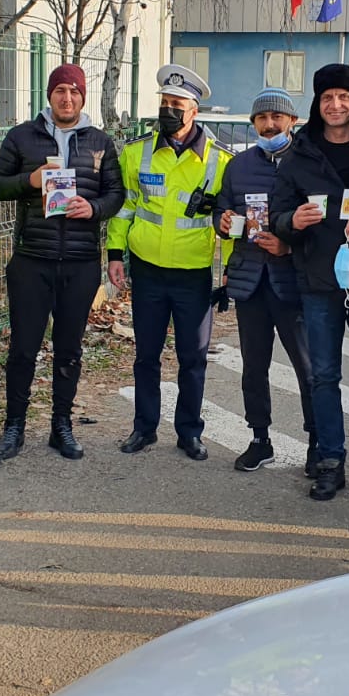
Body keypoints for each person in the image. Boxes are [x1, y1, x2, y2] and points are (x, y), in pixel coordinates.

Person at [271, 63, 349, 502]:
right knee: (323, 376)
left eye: (344, 96)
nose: (336, 105)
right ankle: (329, 462)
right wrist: (293, 220)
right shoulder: (300, 153)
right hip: (320, 281)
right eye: (328, 98)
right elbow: (277, 215)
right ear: (317, 103)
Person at [0, 64, 124, 460]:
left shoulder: (99, 141)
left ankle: (61, 425)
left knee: (69, 349)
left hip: (80, 262)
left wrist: (95, 207)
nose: (67, 98)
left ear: (83, 98)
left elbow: (116, 192)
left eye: (75, 92)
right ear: (49, 95)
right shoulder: (22, 136)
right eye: (60, 90)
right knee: (23, 349)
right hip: (33, 259)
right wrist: (30, 181)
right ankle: (14, 426)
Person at [109, 65, 230, 461]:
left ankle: (189, 432)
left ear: (194, 110)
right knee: (146, 354)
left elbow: (228, 223)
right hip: (147, 270)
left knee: (192, 358)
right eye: (164, 103)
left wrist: (228, 271)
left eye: (176, 105)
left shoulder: (219, 161)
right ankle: (144, 428)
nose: (168, 111)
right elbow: (126, 208)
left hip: (193, 274)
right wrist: (114, 255)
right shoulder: (136, 152)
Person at [213, 88, 316, 473]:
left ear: (293, 121)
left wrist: (290, 248)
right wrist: (221, 222)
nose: (269, 124)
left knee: (308, 368)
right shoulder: (238, 166)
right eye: (262, 118)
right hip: (250, 282)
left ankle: (316, 442)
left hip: (293, 282)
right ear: (253, 123)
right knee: (254, 366)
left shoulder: (307, 164)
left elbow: (322, 222)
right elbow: (223, 209)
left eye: (277, 117)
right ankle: (260, 439)